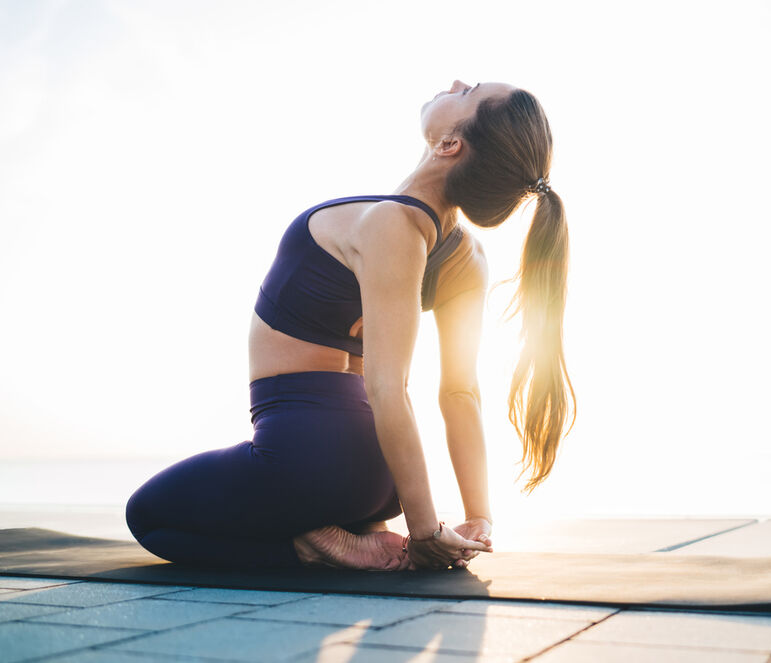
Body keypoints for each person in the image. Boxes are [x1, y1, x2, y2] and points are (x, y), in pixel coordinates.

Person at [124, 80, 576, 571]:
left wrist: (425, 531)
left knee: (148, 516)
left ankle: (309, 546)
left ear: (450, 144)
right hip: (379, 483)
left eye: (468, 93)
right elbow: (461, 394)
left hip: (304, 455)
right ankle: (349, 529)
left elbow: (388, 386)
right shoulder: (467, 255)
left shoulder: (391, 224)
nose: (456, 84)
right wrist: (477, 515)